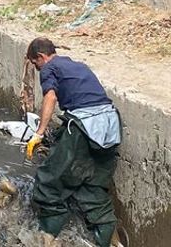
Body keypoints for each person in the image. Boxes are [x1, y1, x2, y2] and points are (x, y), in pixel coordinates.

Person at [25, 37, 122, 247]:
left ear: (41, 57)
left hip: (84, 126)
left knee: (49, 180)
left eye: (35, 63)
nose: (37, 68)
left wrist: (39, 133)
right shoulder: (77, 65)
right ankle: (108, 238)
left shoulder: (50, 68)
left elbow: (50, 98)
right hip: (111, 125)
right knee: (92, 184)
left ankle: (48, 236)